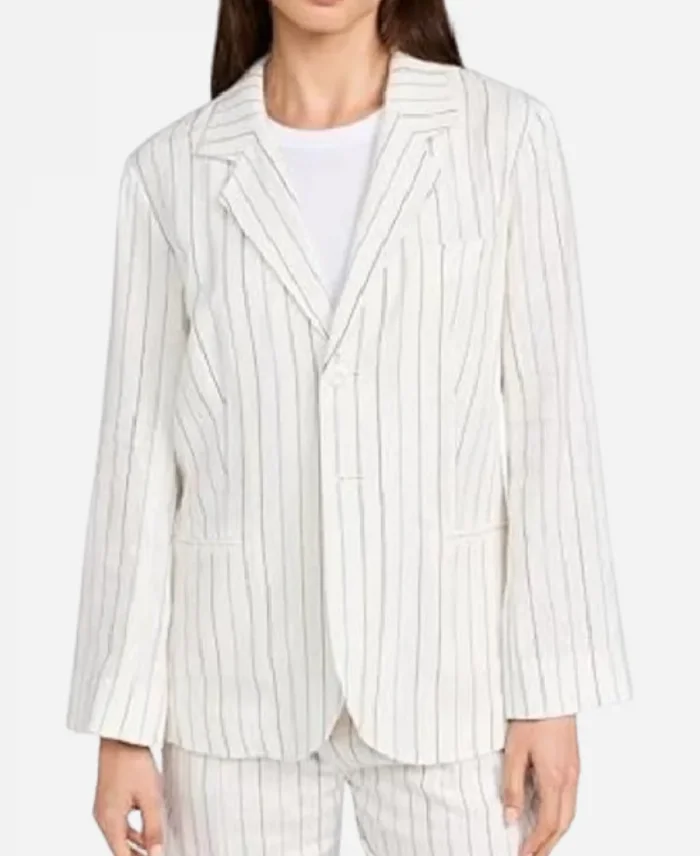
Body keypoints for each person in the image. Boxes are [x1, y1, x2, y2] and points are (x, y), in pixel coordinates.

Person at [66, 1, 632, 854]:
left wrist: (551, 691)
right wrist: (122, 725)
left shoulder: (504, 138)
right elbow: (136, 455)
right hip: (233, 688)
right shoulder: (171, 172)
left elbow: (553, 424)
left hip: (449, 680)